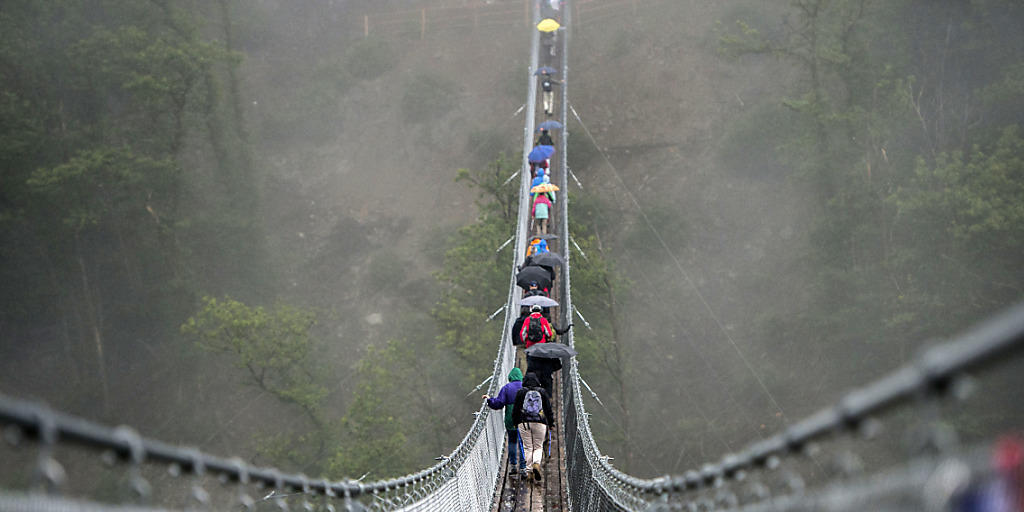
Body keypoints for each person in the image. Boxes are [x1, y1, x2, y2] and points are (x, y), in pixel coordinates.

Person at [483, 368, 526, 476]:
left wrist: (489, 400)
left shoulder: (506, 388)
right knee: (523, 443)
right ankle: (523, 467)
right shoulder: (525, 387)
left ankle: (513, 466)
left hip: (510, 420)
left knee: (512, 442)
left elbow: (499, 404)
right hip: (523, 419)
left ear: (510, 377)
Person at [512, 372, 554, 483]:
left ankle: (529, 471)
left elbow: (515, 409)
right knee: (538, 446)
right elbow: (548, 409)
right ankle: (536, 463)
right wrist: (551, 423)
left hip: (524, 422)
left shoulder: (521, 392)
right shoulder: (542, 392)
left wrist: (515, 422)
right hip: (540, 422)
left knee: (528, 447)